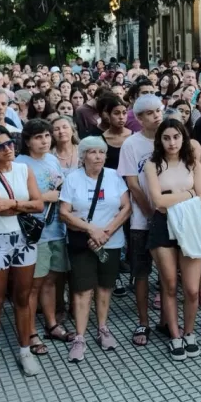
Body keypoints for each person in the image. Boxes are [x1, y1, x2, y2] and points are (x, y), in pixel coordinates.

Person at [0, 125, 44, 384]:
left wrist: (12, 203)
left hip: (24, 240)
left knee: (23, 298)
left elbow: (38, 205)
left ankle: (25, 350)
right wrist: (18, 206)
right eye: (1, 146)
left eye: (11, 143)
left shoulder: (24, 169)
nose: (9, 148)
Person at [59, 136, 131, 362]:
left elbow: (126, 207)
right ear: (83, 156)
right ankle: (80, 337)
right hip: (82, 241)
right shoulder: (73, 179)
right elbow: (64, 212)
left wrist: (105, 233)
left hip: (111, 240)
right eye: (92, 152)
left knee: (105, 286)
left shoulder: (114, 176)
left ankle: (102, 328)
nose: (98, 156)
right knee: (82, 290)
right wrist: (92, 230)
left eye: (101, 152)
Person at [144, 118, 201, 360]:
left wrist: (174, 195)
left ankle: (189, 332)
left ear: (184, 138)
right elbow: (157, 202)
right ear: (159, 140)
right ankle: (174, 335)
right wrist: (189, 194)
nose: (172, 142)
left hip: (191, 224)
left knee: (192, 289)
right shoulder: (153, 165)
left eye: (176, 137)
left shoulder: (192, 163)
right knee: (169, 284)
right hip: (163, 228)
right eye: (166, 137)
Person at [16, 119, 73, 355]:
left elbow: (59, 189)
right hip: (33, 233)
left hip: (56, 229)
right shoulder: (19, 164)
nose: (45, 140)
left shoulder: (51, 159)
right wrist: (44, 197)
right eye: (38, 137)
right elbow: (18, 198)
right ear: (28, 141)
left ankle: (51, 324)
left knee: (50, 279)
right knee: (33, 285)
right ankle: (30, 332)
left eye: (47, 136)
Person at [117, 94, 163, 347]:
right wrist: (150, 213)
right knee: (142, 273)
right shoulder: (131, 145)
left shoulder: (171, 137)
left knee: (169, 273)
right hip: (141, 220)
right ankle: (143, 320)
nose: (156, 115)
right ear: (139, 118)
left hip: (169, 217)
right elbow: (133, 185)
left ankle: (167, 320)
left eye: (158, 110)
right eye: (150, 112)